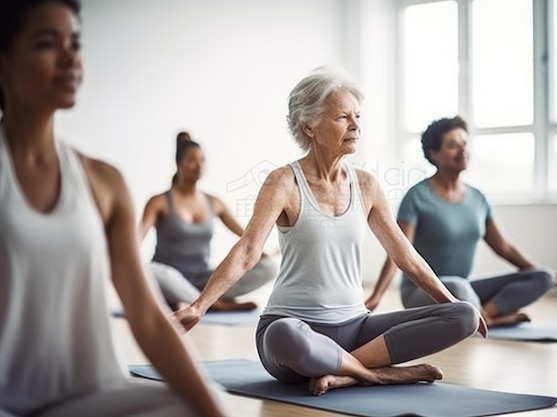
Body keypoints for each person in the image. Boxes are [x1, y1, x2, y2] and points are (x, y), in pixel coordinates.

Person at [175, 67, 487, 396]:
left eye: (357, 116)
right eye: (342, 117)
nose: (355, 126)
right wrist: (199, 306)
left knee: (464, 314)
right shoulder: (283, 183)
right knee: (281, 336)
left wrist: (449, 303)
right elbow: (248, 251)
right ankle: (376, 375)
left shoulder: (366, 185)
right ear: (309, 125)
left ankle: (346, 372)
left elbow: (404, 255)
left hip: (357, 327)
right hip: (295, 329)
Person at [0, 1, 230, 416]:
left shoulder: (104, 182)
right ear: (5, 62)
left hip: (90, 395)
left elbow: (146, 315)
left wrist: (212, 410)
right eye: (47, 43)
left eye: (76, 42)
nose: (70, 57)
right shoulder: (159, 201)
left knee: (205, 403)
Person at [365, 116, 557, 327]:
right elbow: (397, 252)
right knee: (457, 285)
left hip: (465, 290)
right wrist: (377, 296)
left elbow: (504, 247)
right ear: (435, 154)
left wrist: (538, 273)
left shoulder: (478, 198)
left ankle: (484, 317)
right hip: (423, 293)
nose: (462, 150)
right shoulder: (417, 196)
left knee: (542, 276)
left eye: (464, 143)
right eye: (452, 145)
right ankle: (487, 320)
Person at [139, 132, 278, 311]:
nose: (199, 166)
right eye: (192, 160)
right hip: (170, 278)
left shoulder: (214, 202)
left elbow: (247, 237)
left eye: (202, 160)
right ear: (178, 164)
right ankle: (215, 305)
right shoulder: (159, 202)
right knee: (149, 270)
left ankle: (202, 299)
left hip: (205, 279)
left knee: (269, 268)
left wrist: (263, 253)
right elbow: (137, 236)